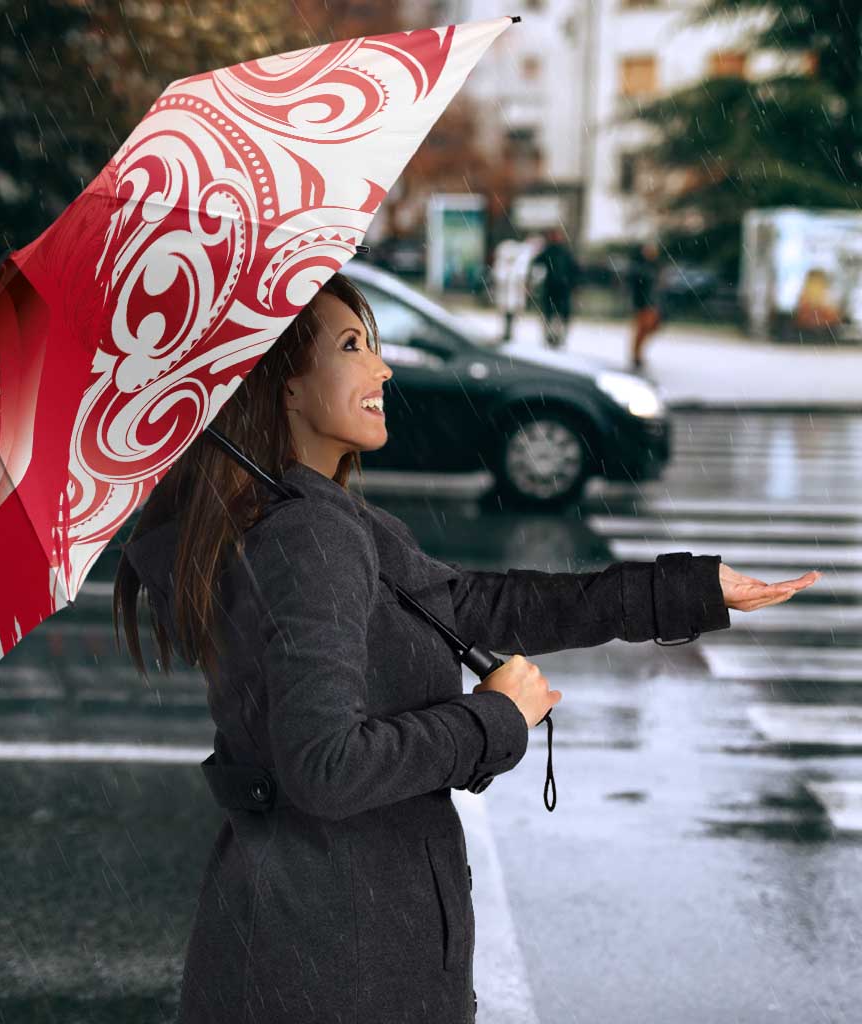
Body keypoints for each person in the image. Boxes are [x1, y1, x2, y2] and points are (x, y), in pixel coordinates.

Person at [114, 271, 819, 1024]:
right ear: (284, 385)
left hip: (318, 943)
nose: (382, 368)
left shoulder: (318, 519)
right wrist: (493, 719)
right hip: (334, 962)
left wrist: (688, 590)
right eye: (352, 346)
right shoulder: (307, 536)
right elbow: (325, 767)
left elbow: (481, 605)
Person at [530, 226, 580, 349]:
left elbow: (574, 270)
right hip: (553, 288)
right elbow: (536, 264)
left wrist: (573, 284)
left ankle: (557, 337)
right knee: (551, 314)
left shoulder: (563, 252)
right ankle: (551, 337)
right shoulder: (550, 251)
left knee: (558, 315)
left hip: (561, 288)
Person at [628, 239, 664, 370]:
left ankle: (637, 354)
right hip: (643, 303)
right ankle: (636, 355)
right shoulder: (640, 267)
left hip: (652, 303)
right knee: (642, 329)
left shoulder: (655, 266)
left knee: (650, 328)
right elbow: (637, 286)